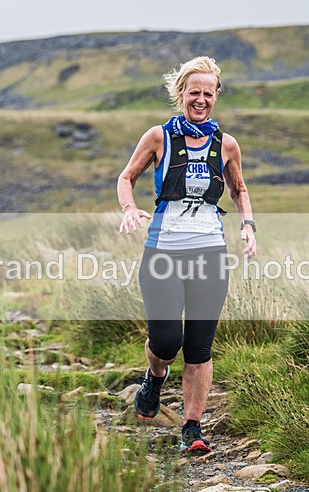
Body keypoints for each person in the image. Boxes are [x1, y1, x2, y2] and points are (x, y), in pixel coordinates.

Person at [117, 56, 256, 453]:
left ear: (216, 96)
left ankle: (192, 428)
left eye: (207, 93)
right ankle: (155, 378)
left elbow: (239, 188)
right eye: (193, 92)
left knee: (199, 346)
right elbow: (126, 178)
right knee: (166, 340)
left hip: (210, 252)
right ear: (181, 94)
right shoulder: (159, 137)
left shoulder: (226, 144)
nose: (200, 100)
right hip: (162, 251)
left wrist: (248, 224)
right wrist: (129, 209)